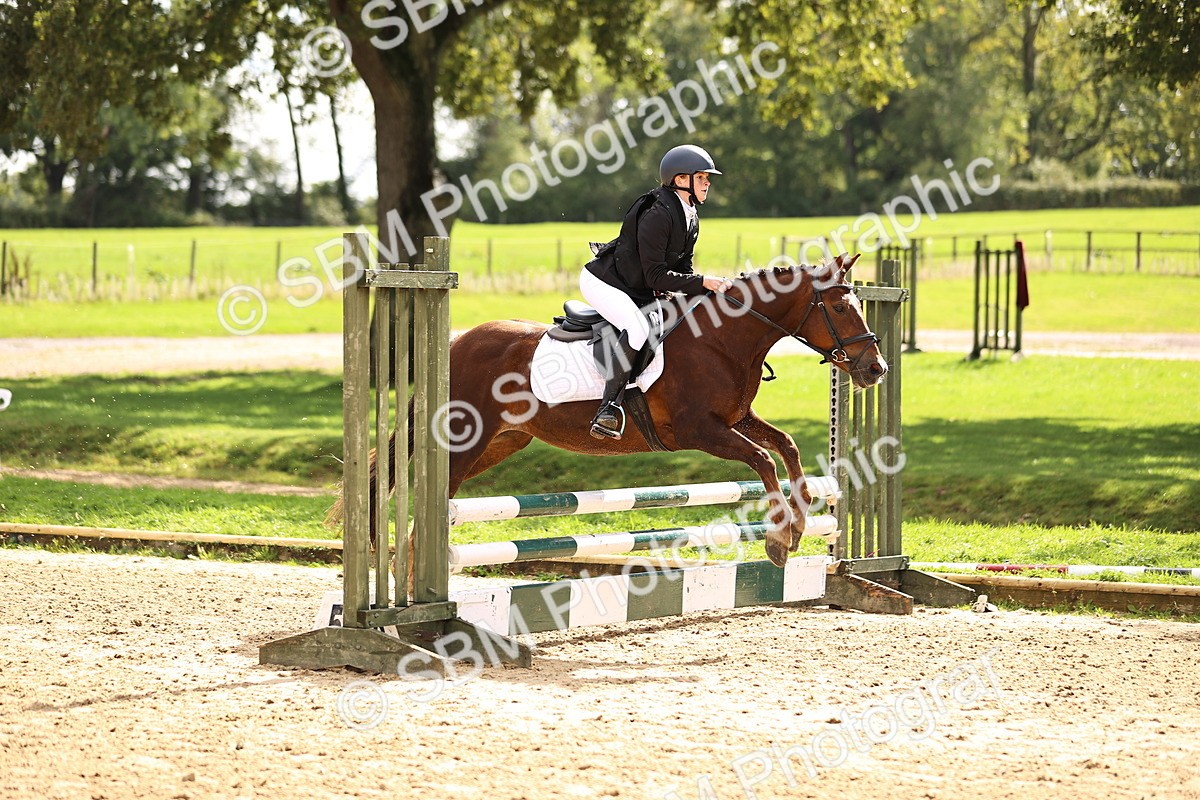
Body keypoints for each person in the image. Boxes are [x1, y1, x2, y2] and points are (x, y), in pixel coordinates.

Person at [580, 144, 735, 440]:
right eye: (702, 177)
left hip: (636, 286)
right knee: (638, 330)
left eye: (707, 178)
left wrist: (706, 290)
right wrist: (703, 283)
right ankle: (608, 408)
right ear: (680, 180)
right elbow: (656, 276)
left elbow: (683, 268)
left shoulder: (689, 215)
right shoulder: (658, 213)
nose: (708, 183)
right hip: (605, 282)